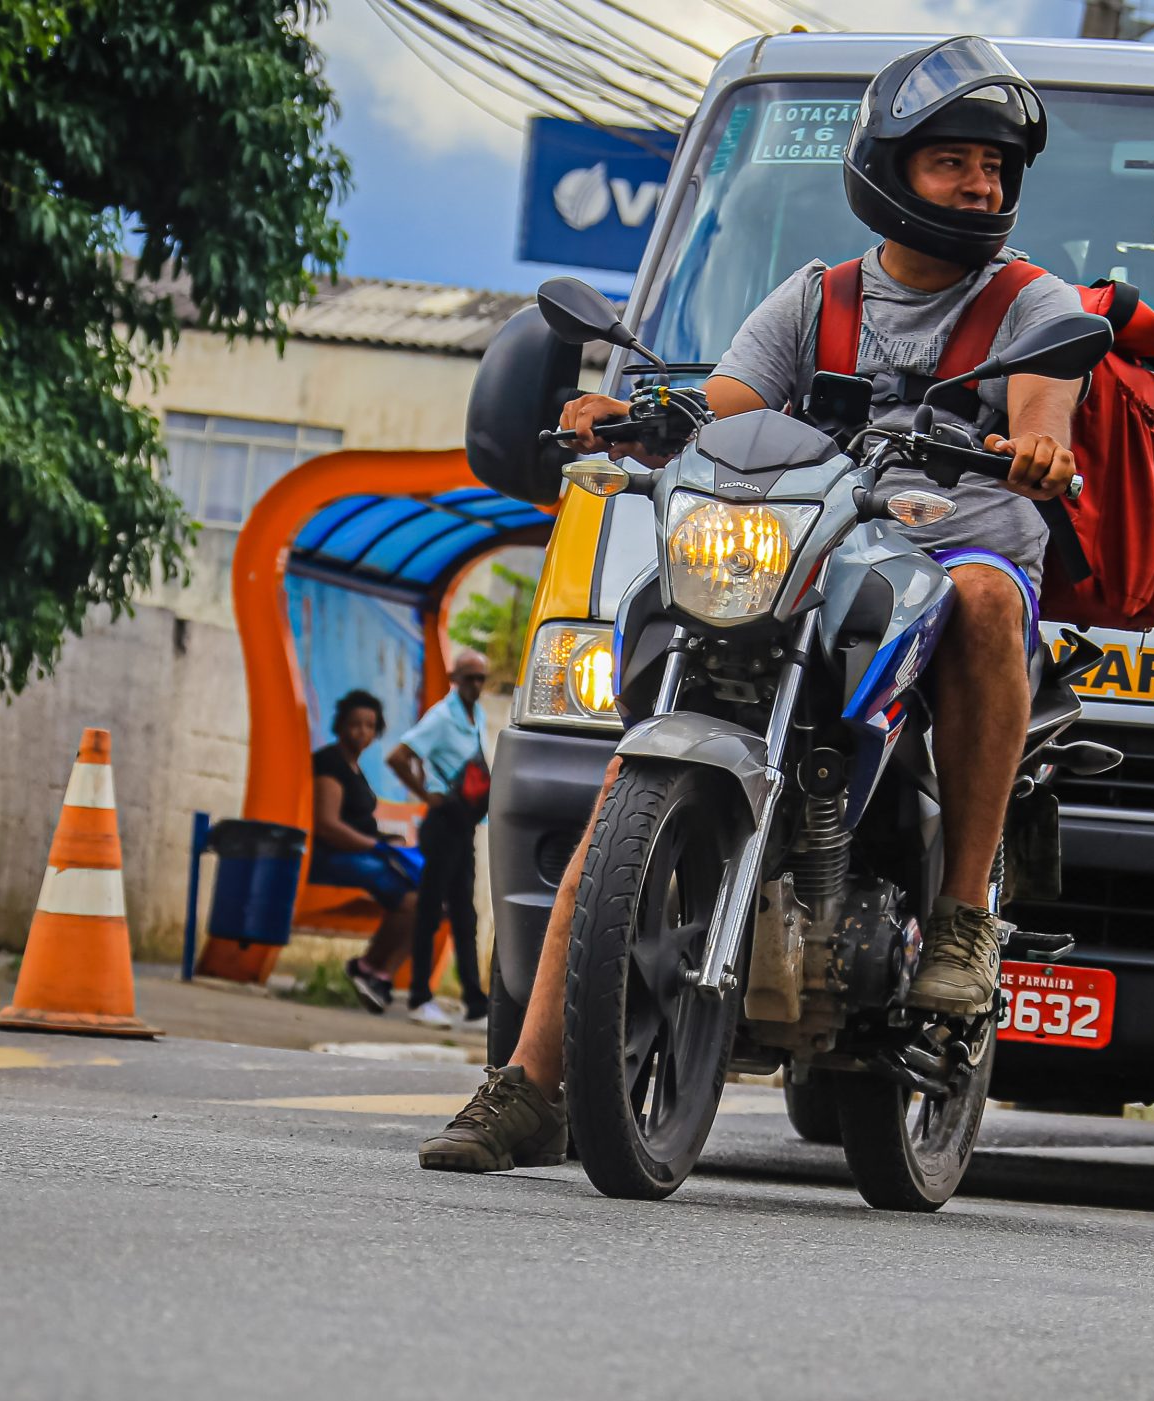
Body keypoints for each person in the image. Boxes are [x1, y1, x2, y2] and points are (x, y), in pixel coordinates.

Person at [420, 36, 1080, 1174]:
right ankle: (531, 1082)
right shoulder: (814, 297)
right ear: (888, 167)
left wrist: (1034, 454)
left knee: (978, 597)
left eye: (994, 166)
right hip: (820, 553)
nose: (981, 185)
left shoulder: (1033, 302)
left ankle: (963, 917)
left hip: (960, 549)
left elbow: (1047, 416)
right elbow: (729, 403)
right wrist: (629, 415)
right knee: (633, 761)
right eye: (953, 163)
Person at [387, 648, 495, 1029]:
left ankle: (474, 1003)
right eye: (470, 678)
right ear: (455, 679)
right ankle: (419, 997)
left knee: (465, 915)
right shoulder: (442, 716)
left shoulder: (474, 714)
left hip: (464, 824)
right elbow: (399, 756)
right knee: (430, 912)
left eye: (481, 678)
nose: (476, 686)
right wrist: (424, 793)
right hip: (443, 822)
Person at [307, 689, 421, 1013]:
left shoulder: (354, 767)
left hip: (362, 854)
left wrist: (387, 840)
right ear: (340, 726)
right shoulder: (330, 763)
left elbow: (358, 822)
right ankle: (370, 969)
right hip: (332, 857)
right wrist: (378, 845)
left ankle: (377, 973)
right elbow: (327, 825)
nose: (362, 732)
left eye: (370, 726)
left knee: (430, 897)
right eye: (355, 724)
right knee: (414, 899)